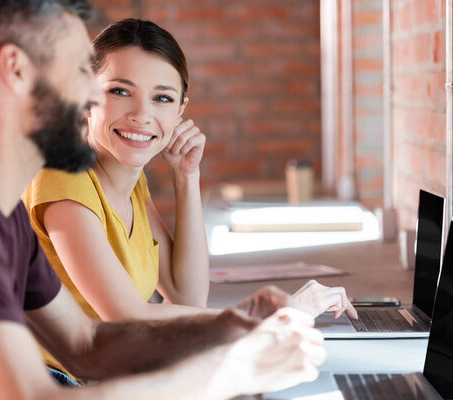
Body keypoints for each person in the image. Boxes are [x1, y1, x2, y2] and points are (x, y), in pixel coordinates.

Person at [0, 1, 326, 399]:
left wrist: (234, 325)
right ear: (16, 70)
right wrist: (234, 370)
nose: (92, 96)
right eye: (80, 71)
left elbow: (86, 345)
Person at [22, 18, 357, 376]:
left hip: (106, 379)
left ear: (180, 110)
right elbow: (126, 317)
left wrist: (186, 175)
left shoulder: (131, 183)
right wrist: (275, 316)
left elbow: (187, 297)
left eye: (162, 98)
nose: (141, 115)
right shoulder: (61, 176)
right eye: (120, 91)